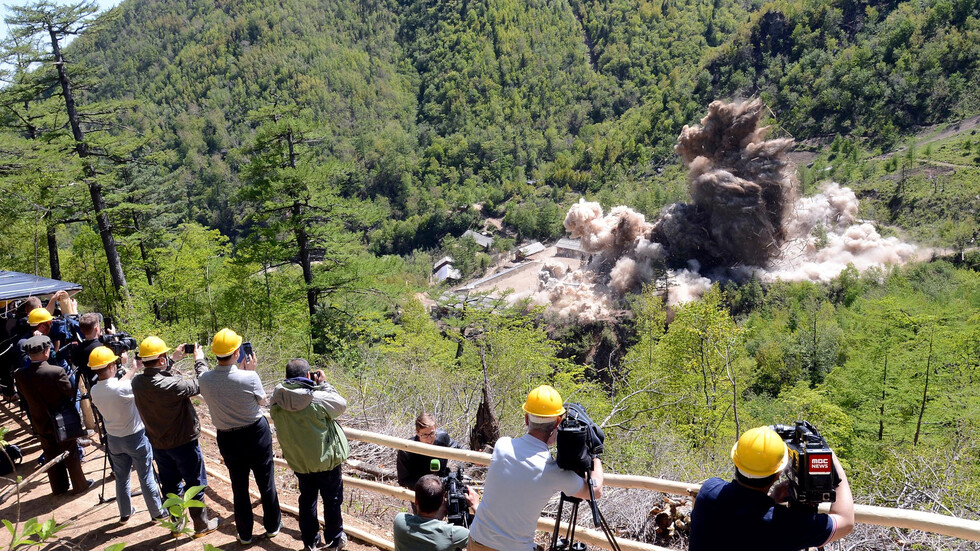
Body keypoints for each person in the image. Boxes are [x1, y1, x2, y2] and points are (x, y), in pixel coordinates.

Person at [467, 385, 603, 551]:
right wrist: (595, 454)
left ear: (526, 419)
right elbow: (596, 491)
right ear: (558, 422)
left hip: (477, 541)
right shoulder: (553, 472)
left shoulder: (502, 445)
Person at [688, 425, 855, 551]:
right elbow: (845, 522)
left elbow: (741, 520)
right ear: (778, 473)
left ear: (736, 462)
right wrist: (829, 458)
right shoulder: (784, 525)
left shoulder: (708, 491)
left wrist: (771, 500)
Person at [198, 328, 282, 544]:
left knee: (239, 486)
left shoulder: (204, 379)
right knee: (266, 481)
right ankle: (272, 526)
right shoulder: (250, 377)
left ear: (215, 353)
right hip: (256, 434)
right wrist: (249, 372)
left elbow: (209, 377)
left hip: (228, 438)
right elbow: (261, 401)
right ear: (237, 352)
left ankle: (245, 534)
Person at [131, 335, 220, 537]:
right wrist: (199, 360)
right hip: (184, 442)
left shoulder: (137, 382)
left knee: (170, 485)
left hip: (158, 443)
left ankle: (177, 525)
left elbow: (156, 375)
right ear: (161, 359)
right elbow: (201, 382)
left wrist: (171, 360)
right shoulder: (173, 385)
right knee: (195, 484)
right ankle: (201, 525)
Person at [270, 358, 349, 551]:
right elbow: (341, 405)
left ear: (287, 376)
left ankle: (310, 541)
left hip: (299, 461)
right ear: (308, 375)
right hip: (325, 461)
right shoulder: (316, 398)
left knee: (307, 500)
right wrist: (323, 384)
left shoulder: (277, 398)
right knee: (332, 501)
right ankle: (333, 540)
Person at [87, 345, 166, 523]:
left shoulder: (94, 390)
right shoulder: (123, 388)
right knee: (146, 476)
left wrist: (133, 369)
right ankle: (157, 513)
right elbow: (125, 387)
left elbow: (118, 385)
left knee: (122, 478)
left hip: (114, 439)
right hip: (135, 437)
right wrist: (136, 370)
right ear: (111, 366)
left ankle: (125, 513)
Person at [12, 335, 92, 495]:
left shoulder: (20, 374)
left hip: (40, 420)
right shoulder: (56, 371)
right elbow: (69, 392)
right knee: (70, 452)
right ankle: (80, 485)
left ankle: (59, 488)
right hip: (61, 420)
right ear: (46, 352)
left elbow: (22, 394)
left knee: (50, 453)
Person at [393, 474, 480, 551]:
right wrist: (476, 507)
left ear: (416, 501)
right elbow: (483, 542)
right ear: (443, 502)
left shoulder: (399, 521)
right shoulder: (452, 534)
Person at [397, 413, 464, 490]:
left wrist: (474, 459)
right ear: (417, 432)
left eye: (432, 433)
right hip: (420, 490)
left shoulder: (442, 438)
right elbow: (403, 481)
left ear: (435, 430)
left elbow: (459, 448)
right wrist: (429, 484)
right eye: (425, 435)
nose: (429, 439)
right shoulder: (406, 450)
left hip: (443, 485)